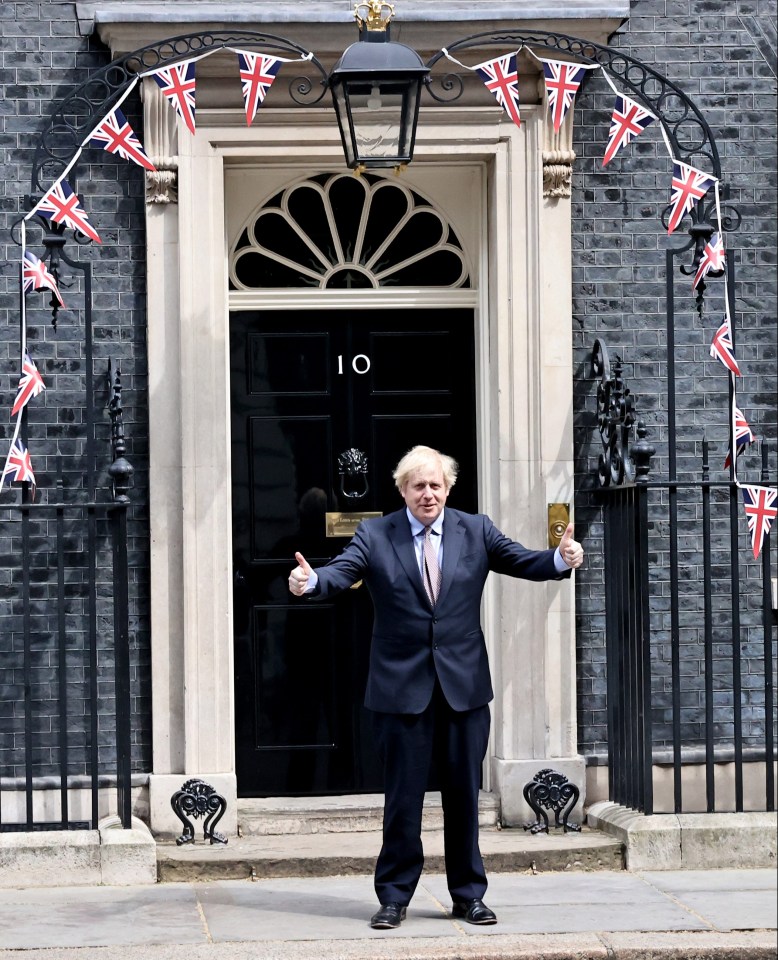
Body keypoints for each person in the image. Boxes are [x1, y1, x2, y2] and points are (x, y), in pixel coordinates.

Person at [288, 445, 583, 930]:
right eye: (418, 485)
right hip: (401, 690)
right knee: (403, 799)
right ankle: (394, 896)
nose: (428, 494)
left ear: (448, 489)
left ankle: (468, 894)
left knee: (464, 796)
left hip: (463, 689)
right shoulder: (375, 534)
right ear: (402, 490)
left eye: (436, 485)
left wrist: (560, 557)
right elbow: (341, 573)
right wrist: (310, 581)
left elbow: (523, 561)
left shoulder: (476, 529)